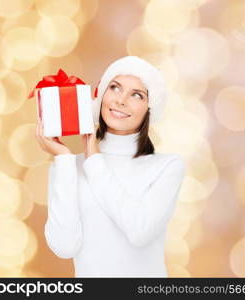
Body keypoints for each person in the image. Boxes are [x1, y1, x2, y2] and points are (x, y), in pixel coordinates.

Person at [35, 56, 186, 277]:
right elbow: (64, 247)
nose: (121, 100)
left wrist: (94, 161)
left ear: (149, 109)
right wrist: (64, 159)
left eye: (137, 94)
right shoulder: (67, 167)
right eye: (114, 88)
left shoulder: (166, 167)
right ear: (101, 95)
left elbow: (139, 231)